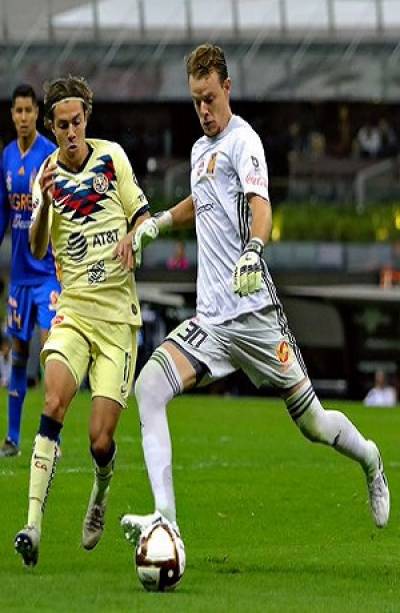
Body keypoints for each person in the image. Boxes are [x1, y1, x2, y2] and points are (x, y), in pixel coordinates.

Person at [118, 44, 390, 547]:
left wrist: (254, 250)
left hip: (256, 314)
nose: (203, 109)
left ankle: (370, 459)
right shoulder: (201, 151)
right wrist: (157, 223)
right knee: (149, 387)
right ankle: (166, 519)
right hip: (213, 323)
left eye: (209, 98)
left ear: (228, 88)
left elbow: (260, 205)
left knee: (312, 424)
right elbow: (198, 202)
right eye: (195, 100)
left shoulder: (245, 142)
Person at [14, 75, 150, 567]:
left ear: (86, 119)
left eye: (77, 122)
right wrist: (46, 200)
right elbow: (32, 248)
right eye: (62, 124)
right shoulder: (46, 174)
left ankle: (101, 485)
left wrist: (133, 238)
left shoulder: (112, 159)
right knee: (52, 399)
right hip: (72, 312)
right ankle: (32, 525)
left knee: (99, 438)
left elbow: (141, 216)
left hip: (117, 321)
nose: (70, 131)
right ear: (51, 126)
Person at [0, 84, 59, 457]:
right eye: (18, 111)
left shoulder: (49, 156)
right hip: (19, 276)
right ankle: (13, 438)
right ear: (12, 114)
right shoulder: (6, 157)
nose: (23, 117)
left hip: (47, 273)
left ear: (38, 113)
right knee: (19, 352)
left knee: (53, 351)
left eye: (28, 111)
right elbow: (3, 215)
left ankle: (52, 438)